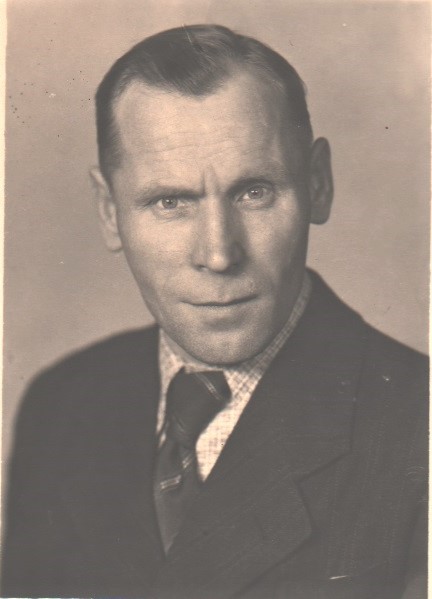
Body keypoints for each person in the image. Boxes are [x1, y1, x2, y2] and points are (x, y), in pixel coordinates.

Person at [2, 24, 427, 599]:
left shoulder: (417, 431)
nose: (219, 254)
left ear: (317, 184)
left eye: (254, 192)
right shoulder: (62, 405)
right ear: (109, 211)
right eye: (169, 202)